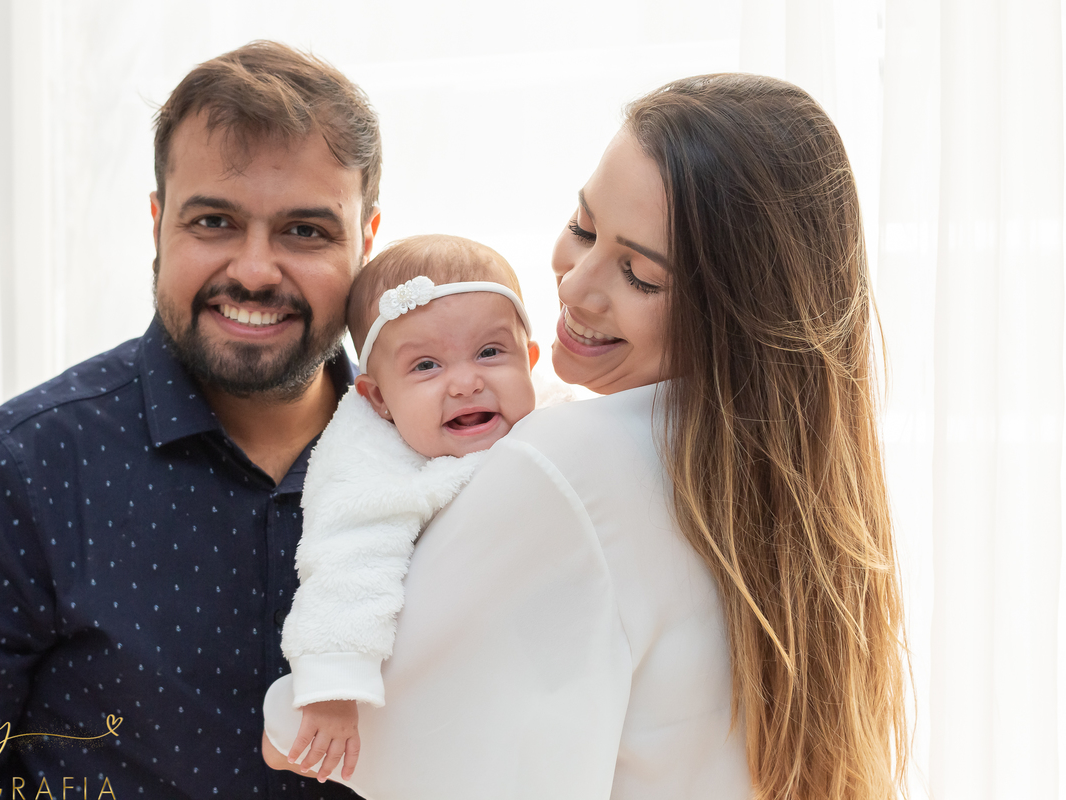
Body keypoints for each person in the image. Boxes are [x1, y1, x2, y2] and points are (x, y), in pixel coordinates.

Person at [263, 73, 909, 800]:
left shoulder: (564, 468)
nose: (574, 287)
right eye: (583, 227)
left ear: (735, 314)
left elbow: (391, 741)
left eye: (637, 274)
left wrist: (293, 711)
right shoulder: (776, 480)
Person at [0, 41, 378, 800]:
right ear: (157, 223)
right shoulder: (21, 469)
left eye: (305, 231)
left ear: (366, 241)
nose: (255, 270)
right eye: (214, 221)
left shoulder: (449, 462)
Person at [273, 235, 540, 782]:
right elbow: (346, 566)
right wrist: (333, 687)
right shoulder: (375, 471)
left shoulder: (558, 427)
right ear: (378, 399)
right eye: (426, 366)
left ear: (531, 360)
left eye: (491, 352)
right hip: (444, 691)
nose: (467, 382)